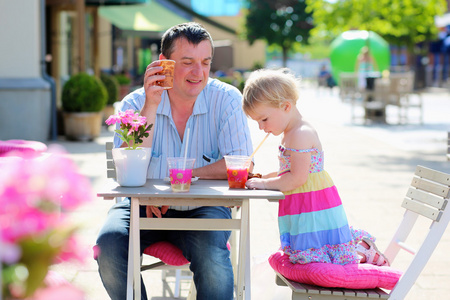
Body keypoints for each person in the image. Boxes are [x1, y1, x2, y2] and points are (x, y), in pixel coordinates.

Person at [96, 22, 253, 300]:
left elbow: (241, 164)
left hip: (204, 209)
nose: (198, 73)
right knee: (108, 245)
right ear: (163, 64)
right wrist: (151, 107)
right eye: (188, 62)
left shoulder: (226, 100)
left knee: (212, 258)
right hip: (141, 209)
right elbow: (128, 167)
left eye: (205, 62)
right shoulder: (134, 104)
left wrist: (183, 178)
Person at [242, 68, 389, 267]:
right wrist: (258, 178)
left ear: (286, 106)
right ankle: (358, 250)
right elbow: (288, 171)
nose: (261, 127)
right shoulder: (290, 133)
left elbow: (297, 178)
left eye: (264, 119)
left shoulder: (300, 134)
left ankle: (363, 250)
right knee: (314, 251)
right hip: (303, 203)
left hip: (312, 205)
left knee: (322, 250)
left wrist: (264, 184)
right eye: (257, 121)